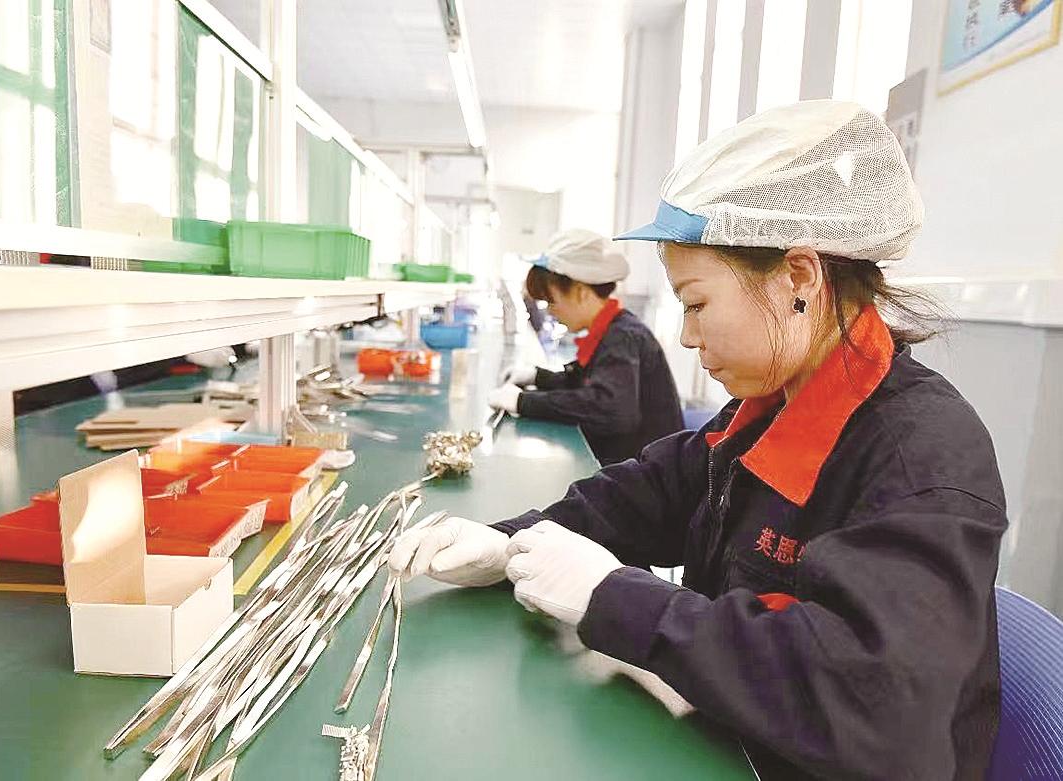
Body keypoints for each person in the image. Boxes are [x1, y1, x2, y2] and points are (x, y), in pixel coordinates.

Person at [391, 100, 1007, 780]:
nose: (686, 335)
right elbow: (648, 493)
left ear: (798, 276)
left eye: (697, 302)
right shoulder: (770, 408)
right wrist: (510, 541)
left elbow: (875, 707)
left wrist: (615, 597)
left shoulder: (920, 456)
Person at [489, 229, 684, 465]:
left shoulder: (622, 337)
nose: (550, 311)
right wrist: (537, 377)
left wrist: (523, 402)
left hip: (649, 473)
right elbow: (587, 383)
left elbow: (611, 410)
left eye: (551, 301)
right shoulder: (612, 329)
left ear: (580, 292)